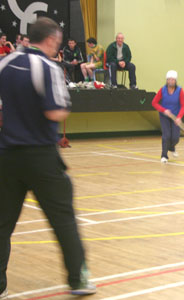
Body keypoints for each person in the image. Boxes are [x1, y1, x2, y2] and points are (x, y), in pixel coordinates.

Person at [0, 17, 96, 297]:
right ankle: (78, 280)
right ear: (52, 40)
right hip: (41, 156)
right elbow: (56, 112)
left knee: (2, 223)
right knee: (64, 220)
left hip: (6, 156)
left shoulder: (4, 64)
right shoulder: (49, 67)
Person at [152, 70, 184, 163]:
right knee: (166, 135)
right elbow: (154, 103)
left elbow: (183, 106)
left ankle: (172, 147)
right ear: (167, 80)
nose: (171, 81)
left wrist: (179, 117)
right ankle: (164, 155)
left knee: (175, 138)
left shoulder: (180, 91)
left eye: (173, 80)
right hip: (164, 116)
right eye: (169, 79)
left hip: (175, 116)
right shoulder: (162, 90)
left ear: (175, 81)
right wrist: (164, 110)